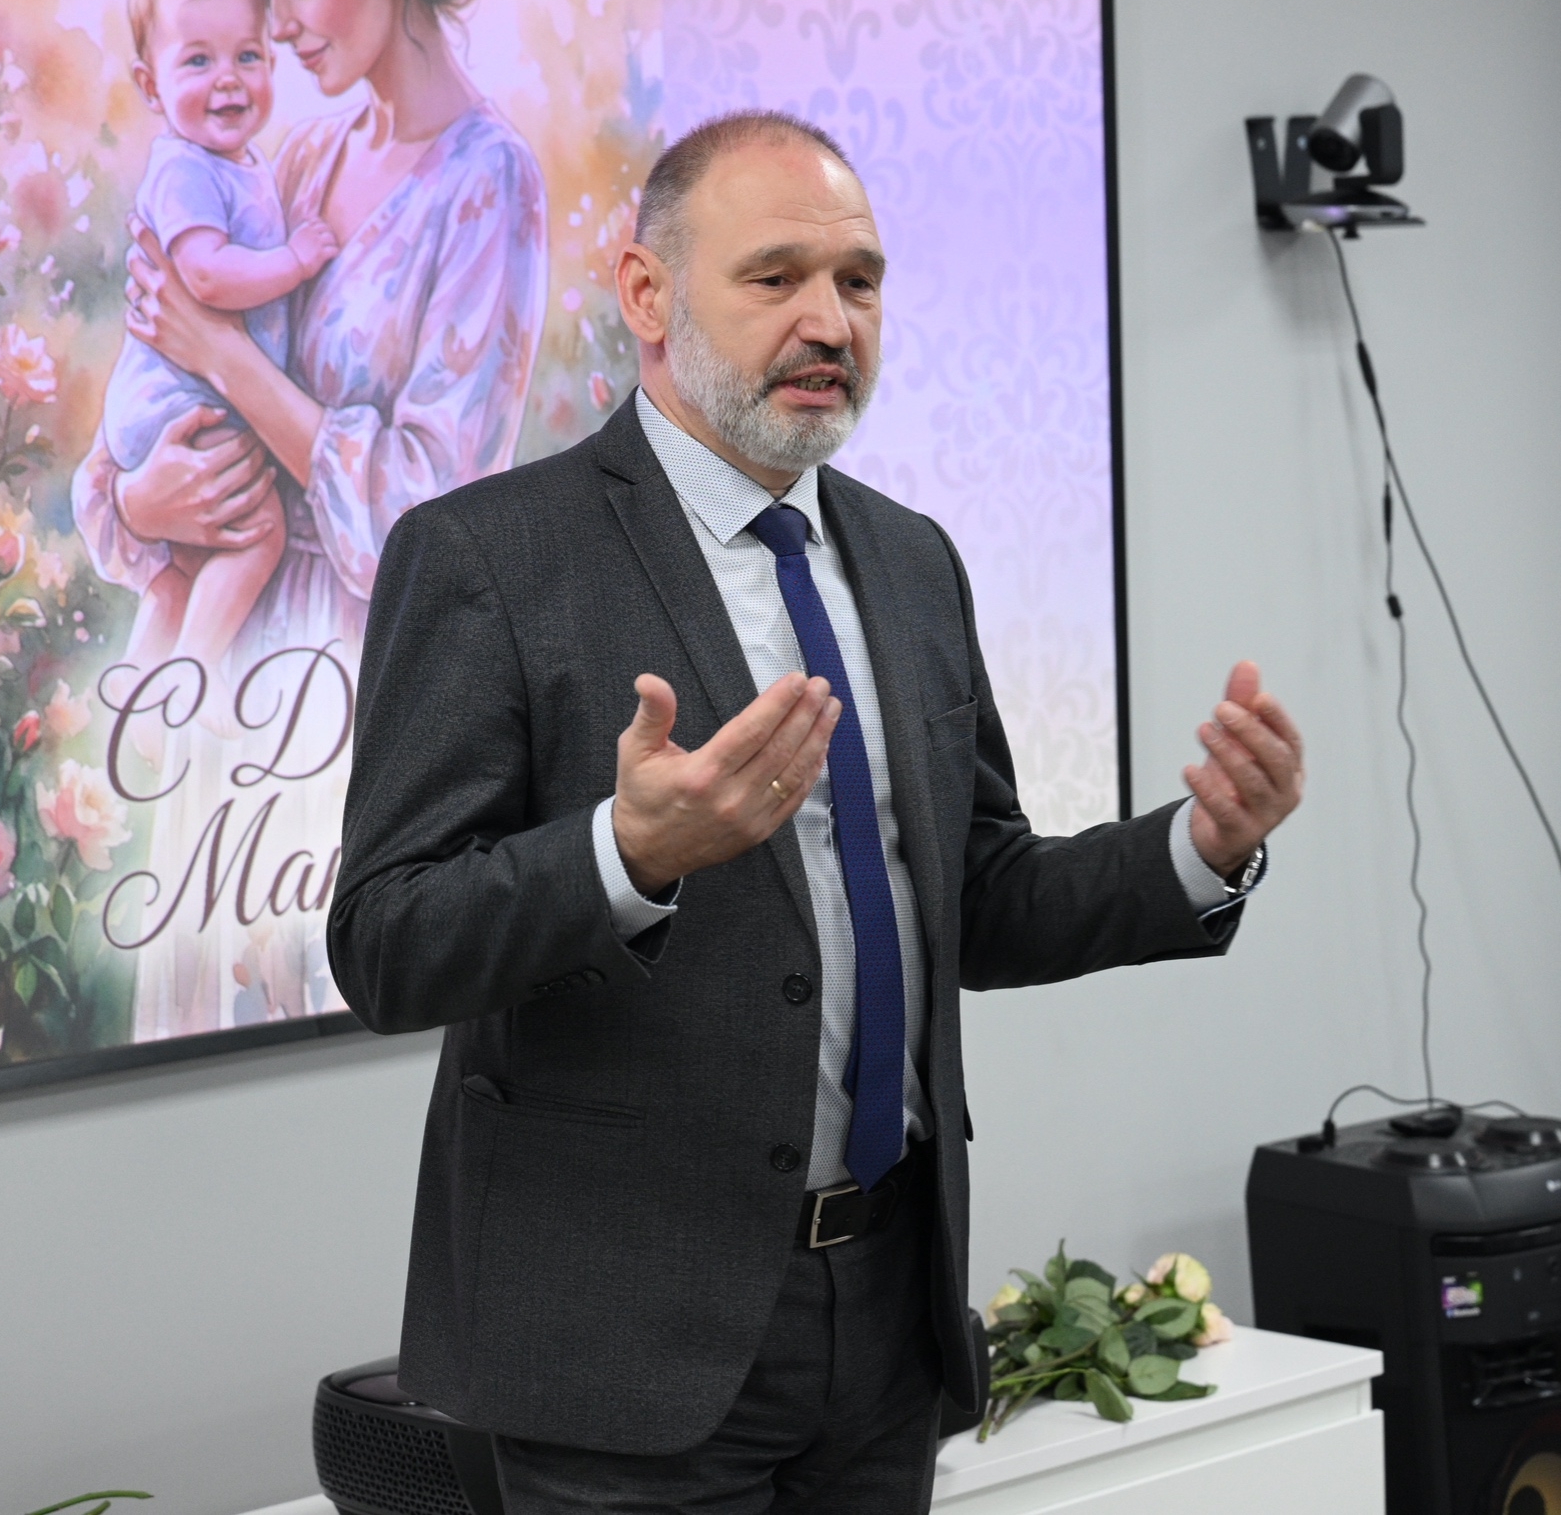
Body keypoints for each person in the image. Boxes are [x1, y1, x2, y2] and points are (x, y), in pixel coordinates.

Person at [329, 110, 1306, 1514]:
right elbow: (385, 940)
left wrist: (1198, 851)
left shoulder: (909, 561)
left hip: (888, 1320)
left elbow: (977, 892)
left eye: (859, 281)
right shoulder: (488, 556)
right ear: (648, 293)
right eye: (775, 277)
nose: (829, 322)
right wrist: (625, 855)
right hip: (626, 1351)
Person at [82, 0, 546, 1035]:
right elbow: (157, 371)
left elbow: (431, 524)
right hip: (230, 691)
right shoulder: (293, 158)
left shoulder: (486, 184)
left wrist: (232, 362)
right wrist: (133, 498)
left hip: (357, 699)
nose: (276, 27)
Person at [102, 0, 339, 677]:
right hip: (178, 404)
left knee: (180, 568)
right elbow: (204, 277)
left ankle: (140, 698)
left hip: (185, 400)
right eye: (198, 61)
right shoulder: (185, 169)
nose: (228, 80)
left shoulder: (242, 163)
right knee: (257, 531)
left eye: (247, 56)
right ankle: (192, 683)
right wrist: (293, 261)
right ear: (151, 86)